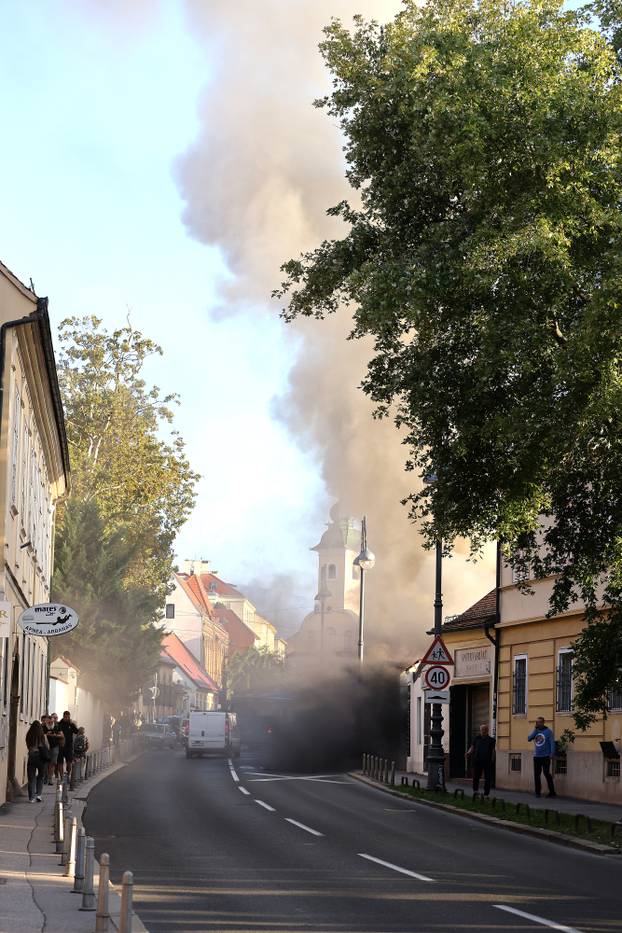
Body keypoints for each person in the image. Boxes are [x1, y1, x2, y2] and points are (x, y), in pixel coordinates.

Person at [528, 716, 557, 798]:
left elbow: (552, 743)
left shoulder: (548, 732)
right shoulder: (536, 731)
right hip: (537, 756)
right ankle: (537, 792)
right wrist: (535, 730)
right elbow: (529, 739)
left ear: (543, 722)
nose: (538, 723)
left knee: (546, 773)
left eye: (540, 722)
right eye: (537, 722)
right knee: (536, 775)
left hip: (546, 756)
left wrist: (552, 753)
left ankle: (552, 792)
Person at [466, 723, 496, 796]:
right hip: (477, 761)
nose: (483, 731)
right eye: (482, 729)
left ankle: (486, 793)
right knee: (476, 777)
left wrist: (493, 760)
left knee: (487, 778)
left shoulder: (491, 740)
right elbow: (472, 747)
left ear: (487, 730)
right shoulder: (476, 738)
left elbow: (493, 751)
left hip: (487, 761)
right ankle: (475, 791)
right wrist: (468, 753)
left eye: (485, 729)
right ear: (480, 730)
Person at [25, 720, 49, 802]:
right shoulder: (42, 736)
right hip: (41, 757)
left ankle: (31, 798)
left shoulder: (29, 735)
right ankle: (38, 795)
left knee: (31, 778)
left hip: (31, 756)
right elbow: (47, 746)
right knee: (41, 777)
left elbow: (28, 746)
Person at [57, 710, 78, 778]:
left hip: (69, 746)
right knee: (60, 762)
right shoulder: (59, 723)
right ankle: (62, 776)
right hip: (60, 746)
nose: (66, 718)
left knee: (69, 762)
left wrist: (72, 724)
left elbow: (76, 731)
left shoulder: (71, 724)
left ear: (69, 717)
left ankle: (68, 775)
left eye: (68, 717)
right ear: (63, 716)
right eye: (65, 717)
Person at [45, 713, 62, 783]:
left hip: (54, 746)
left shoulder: (57, 726)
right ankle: (45, 777)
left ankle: (50, 778)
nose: (50, 722)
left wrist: (54, 735)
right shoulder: (43, 727)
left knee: (52, 763)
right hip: (45, 747)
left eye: (51, 721)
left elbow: (61, 735)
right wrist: (46, 734)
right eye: (49, 721)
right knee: (45, 763)